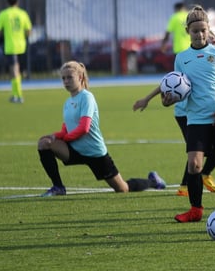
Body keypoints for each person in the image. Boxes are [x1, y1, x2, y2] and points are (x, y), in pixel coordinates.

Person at [134, 5, 215, 223]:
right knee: (194, 165)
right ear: (187, 32)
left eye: (203, 30)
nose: (200, 34)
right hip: (196, 118)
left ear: (209, 29)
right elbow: (175, 88)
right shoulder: (181, 58)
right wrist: (167, 100)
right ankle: (195, 210)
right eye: (195, 31)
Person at [37, 61, 166, 196]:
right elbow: (66, 128)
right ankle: (58, 187)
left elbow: (84, 128)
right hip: (74, 149)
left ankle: (152, 182)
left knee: (122, 189)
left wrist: (65, 137)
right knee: (44, 144)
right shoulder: (67, 102)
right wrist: (54, 136)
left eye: (69, 77)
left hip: (94, 152)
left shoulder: (87, 97)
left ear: (80, 77)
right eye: (63, 78)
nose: (66, 81)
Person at [0, 0, 32, 104]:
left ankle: (19, 95)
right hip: (22, 45)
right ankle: (14, 94)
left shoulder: (4, 14)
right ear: (17, 2)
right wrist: (24, 37)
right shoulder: (23, 13)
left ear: (8, 3)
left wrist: (2, 38)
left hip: (10, 46)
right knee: (15, 70)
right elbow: (29, 30)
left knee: (14, 70)